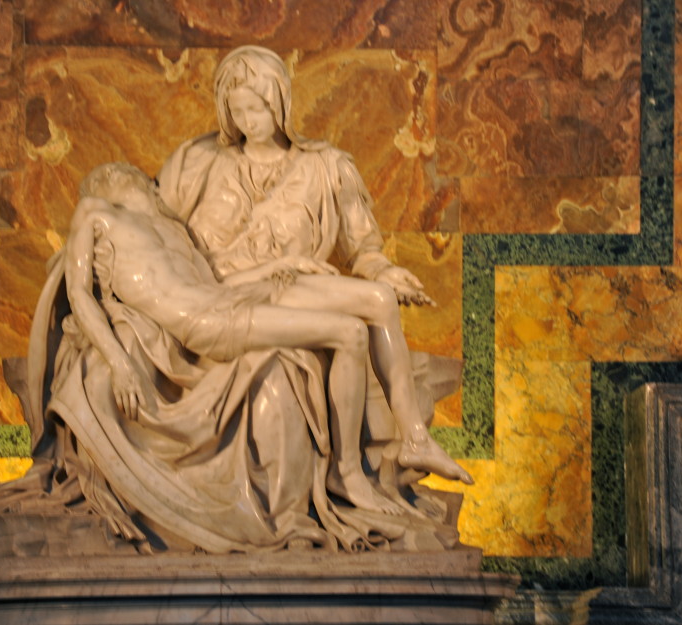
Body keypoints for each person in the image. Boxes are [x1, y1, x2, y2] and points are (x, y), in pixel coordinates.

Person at [68, 162, 469, 514]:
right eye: (146, 181)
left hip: (225, 300)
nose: (156, 188)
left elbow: (214, 284)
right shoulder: (95, 212)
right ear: (119, 179)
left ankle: (416, 439)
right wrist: (119, 362)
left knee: (378, 299)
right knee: (349, 333)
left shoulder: (173, 230)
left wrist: (284, 264)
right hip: (207, 322)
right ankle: (347, 474)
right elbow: (78, 293)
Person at [158, 45, 471, 484]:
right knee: (358, 318)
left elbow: (361, 248)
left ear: (281, 104)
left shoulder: (327, 167)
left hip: (285, 288)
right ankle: (362, 464)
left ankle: (416, 440)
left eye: (257, 110)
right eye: (238, 111)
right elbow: (155, 232)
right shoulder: (197, 162)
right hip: (220, 294)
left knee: (380, 298)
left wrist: (383, 270)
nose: (248, 122)